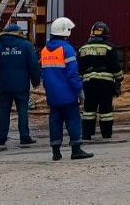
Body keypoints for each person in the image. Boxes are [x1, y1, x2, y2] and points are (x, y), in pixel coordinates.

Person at [40, 17, 93, 161]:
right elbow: (72, 74)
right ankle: (76, 149)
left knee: (55, 121)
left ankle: (56, 151)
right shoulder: (67, 49)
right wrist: (79, 91)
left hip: (53, 95)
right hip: (68, 94)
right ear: (66, 31)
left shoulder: (45, 50)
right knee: (73, 120)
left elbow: (43, 74)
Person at [0, 23, 41, 146]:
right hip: (21, 85)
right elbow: (33, 65)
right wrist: (36, 81)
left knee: (3, 111)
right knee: (23, 111)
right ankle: (24, 136)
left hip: (4, 85)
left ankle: (1, 138)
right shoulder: (26, 45)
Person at [77, 21, 124, 140]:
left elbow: (79, 69)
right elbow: (116, 67)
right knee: (106, 109)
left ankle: (87, 134)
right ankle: (106, 133)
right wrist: (119, 80)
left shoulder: (82, 49)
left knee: (88, 109)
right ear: (105, 34)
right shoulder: (108, 48)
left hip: (88, 83)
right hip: (105, 84)